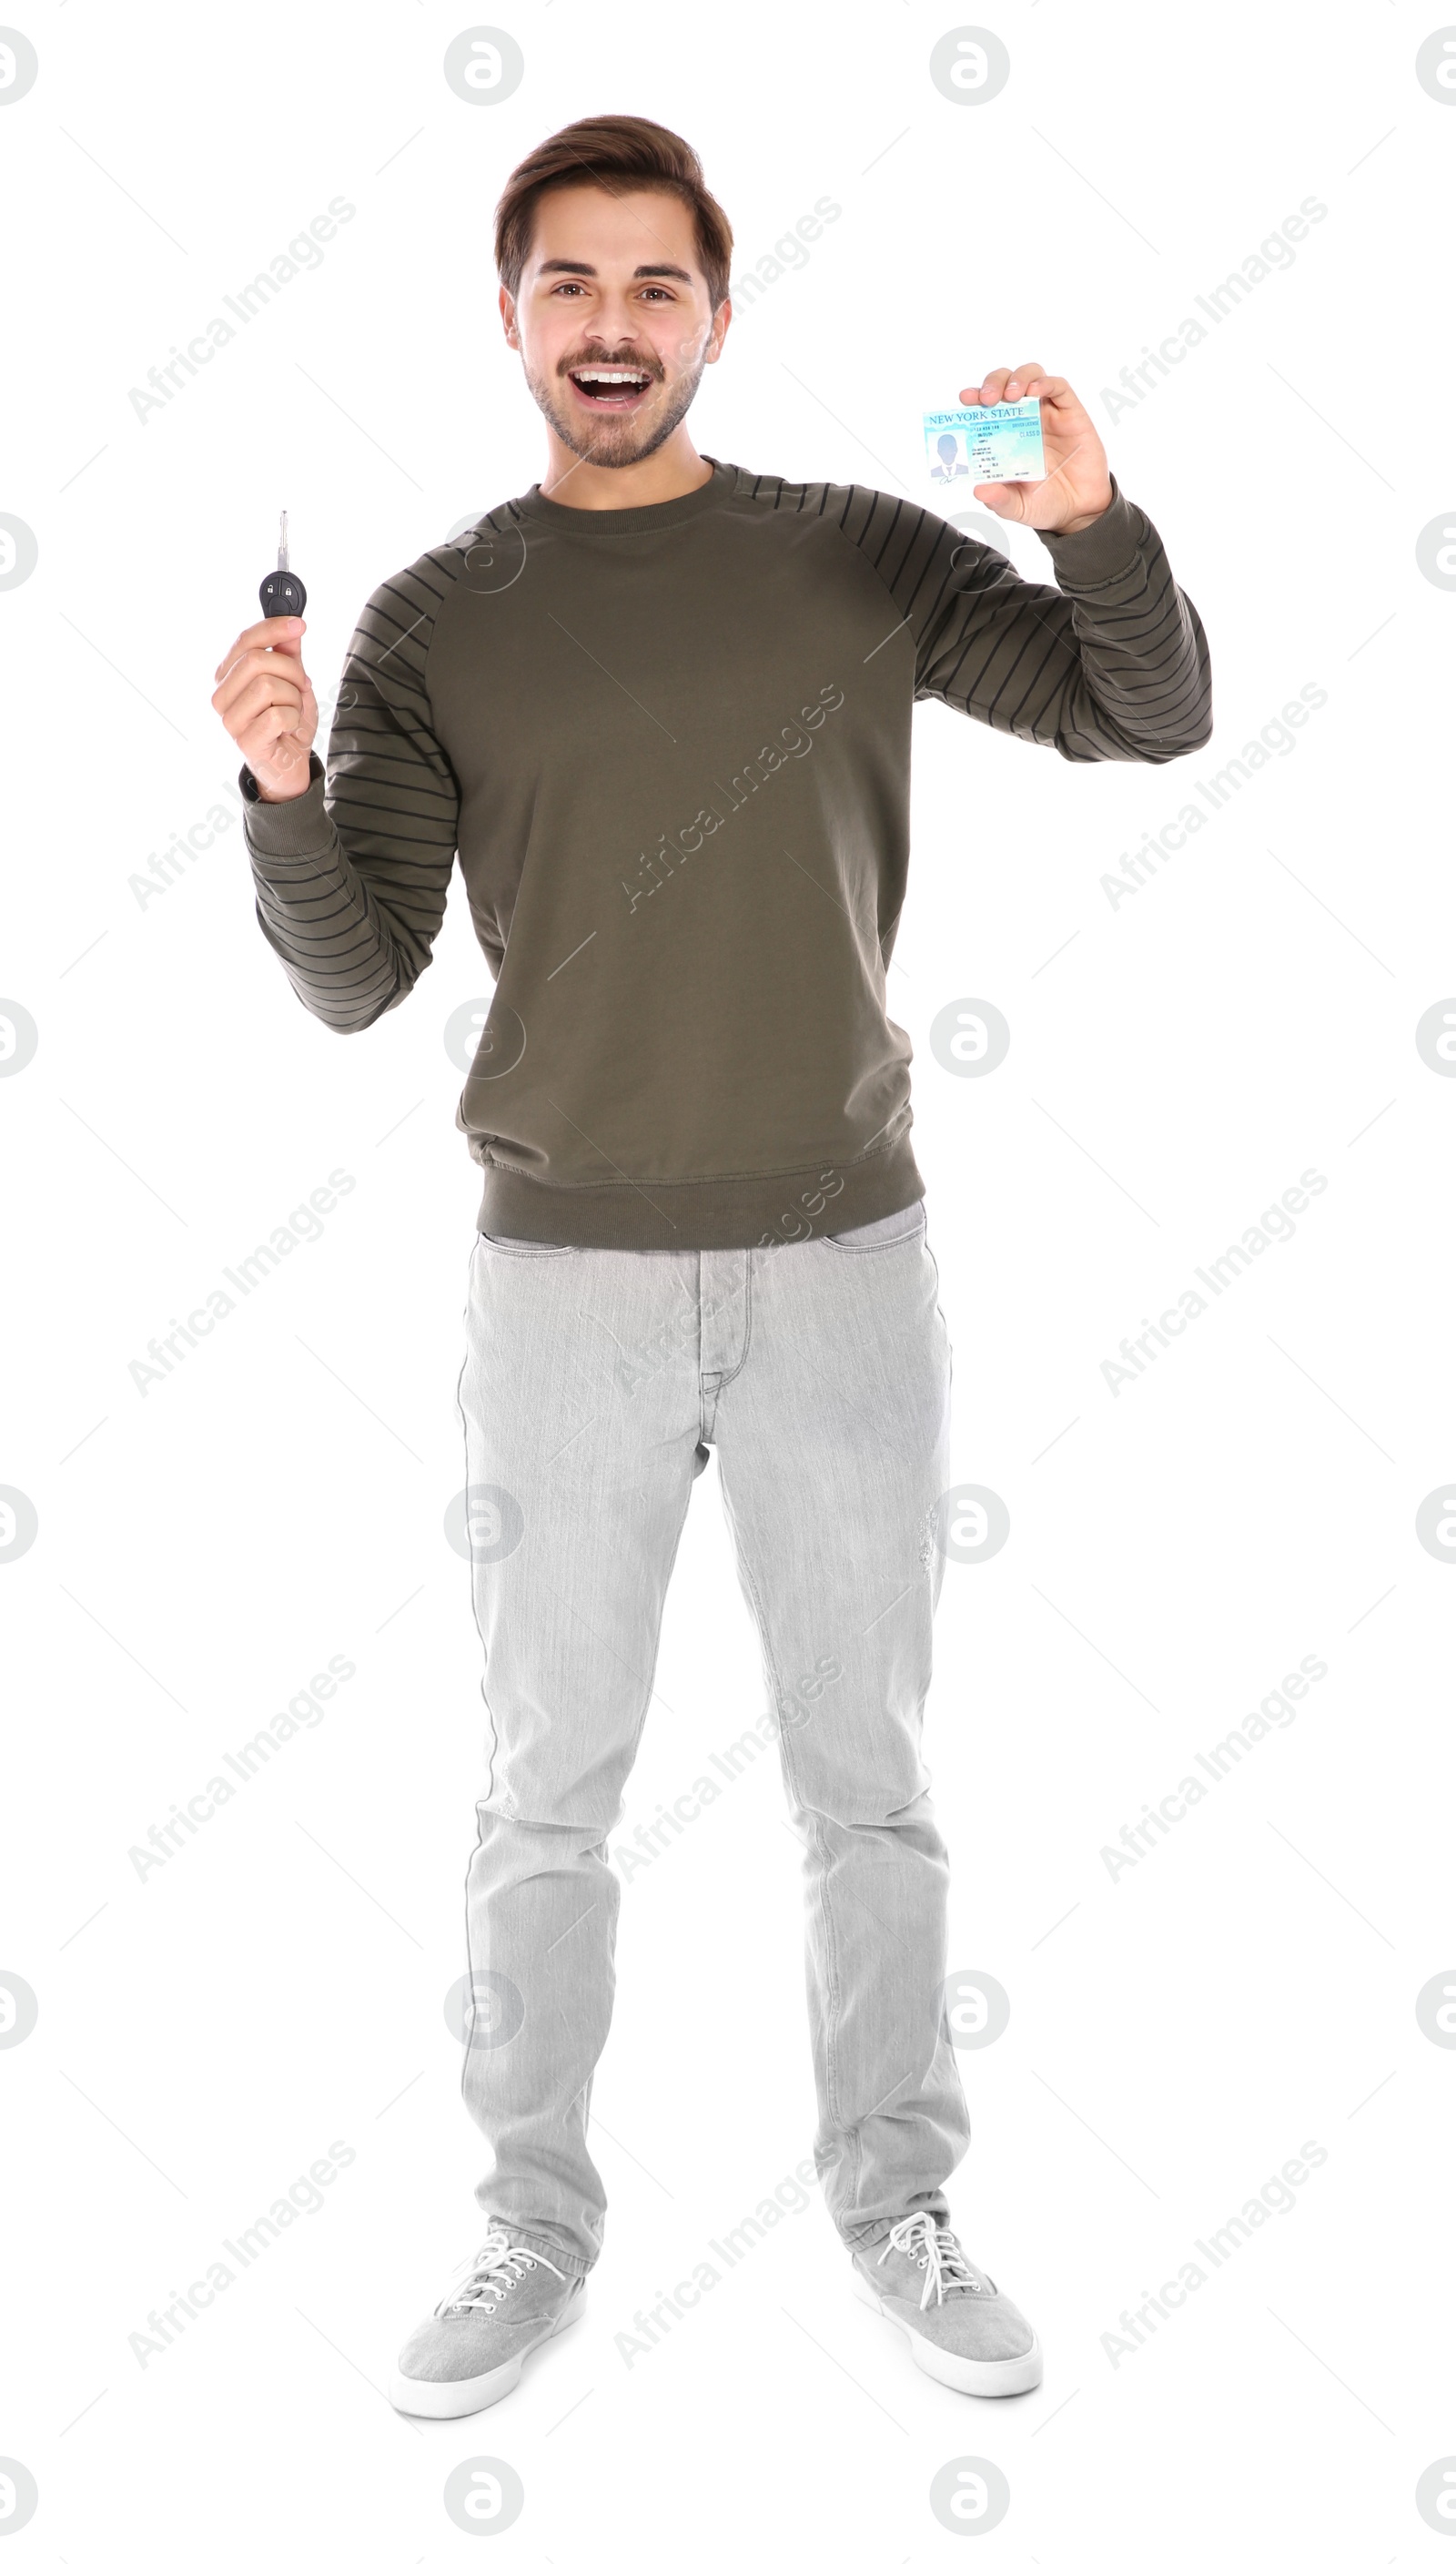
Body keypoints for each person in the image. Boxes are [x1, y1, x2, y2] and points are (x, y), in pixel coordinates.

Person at [210, 112, 1212, 2422]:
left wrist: (1087, 521)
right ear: (509, 317)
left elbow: (1136, 705)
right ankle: (527, 2217)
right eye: (568, 285)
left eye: (655, 287)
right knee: (541, 1784)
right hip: (555, 1281)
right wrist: (276, 799)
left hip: (843, 1261)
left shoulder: (851, 558)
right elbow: (357, 976)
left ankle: (892, 2194)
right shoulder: (438, 618)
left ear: (716, 318)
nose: (610, 327)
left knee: (868, 1776)